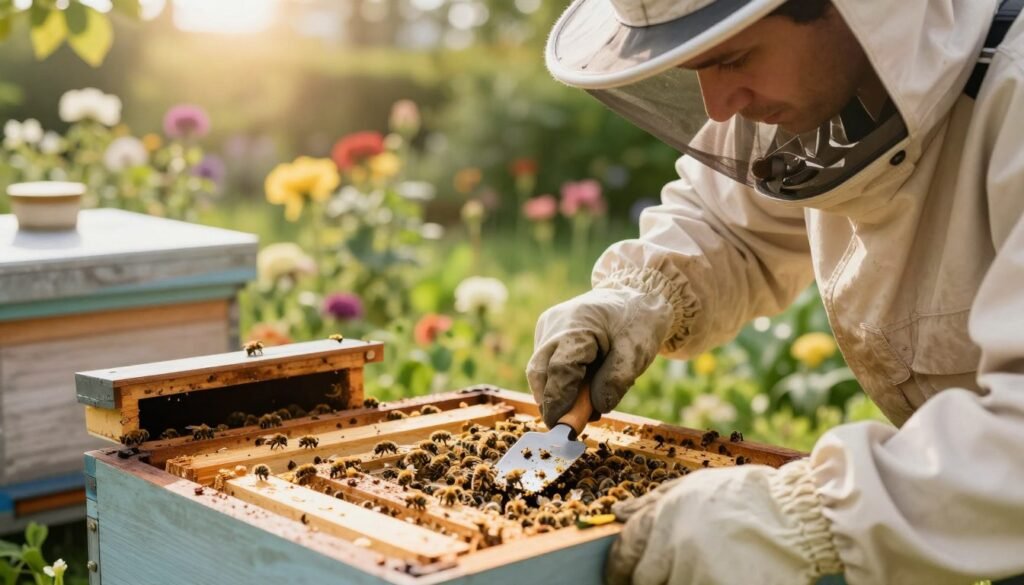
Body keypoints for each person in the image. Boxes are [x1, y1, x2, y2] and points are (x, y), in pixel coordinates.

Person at [527, 0, 1024, 582]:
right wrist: (640, 295)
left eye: (735, 57)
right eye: (697, 67)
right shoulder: (834, 91)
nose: (719, 104)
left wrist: (810, 519)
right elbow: (731, 223)